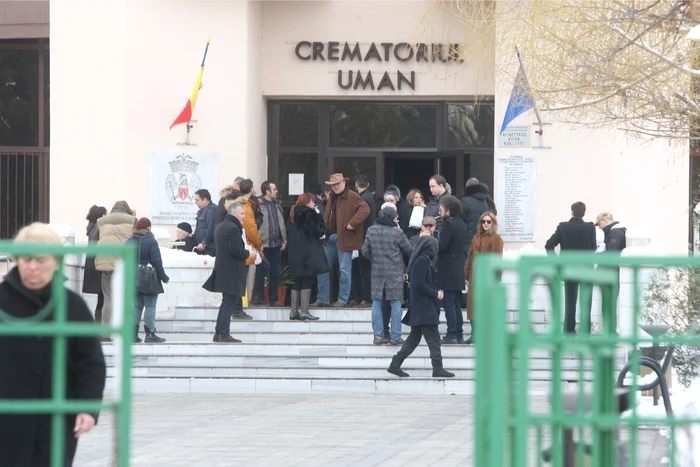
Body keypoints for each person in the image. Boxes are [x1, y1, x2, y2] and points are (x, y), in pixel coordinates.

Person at [0, 222, 106, 466]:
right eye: (26, 259)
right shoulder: (2, 300)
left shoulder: (72, 305)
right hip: (7, 420)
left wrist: (87, 408)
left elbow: (90, 363)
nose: (33, 267)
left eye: (41, 259)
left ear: (56, 262)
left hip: (56, 422)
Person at [387, 235, 455, 378]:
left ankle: (395, 364)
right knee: (434, 339)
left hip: (422, 308)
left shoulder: (423, 260)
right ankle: (437, 368)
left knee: (413, 340)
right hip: (424, 308)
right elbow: (419, 285)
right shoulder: (422, 261)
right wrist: (435, 293)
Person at [313, 173, 370, 308]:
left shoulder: (352, 196)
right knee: (323, 267)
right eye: (333, 185)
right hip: (330, 238)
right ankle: (323, 298)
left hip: (343, 238)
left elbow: (365, 209)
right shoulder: (333, 197)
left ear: (344, 183)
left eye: (338, 184)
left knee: (344, 270)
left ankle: (342, 300)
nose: (335, 187)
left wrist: (352, 223)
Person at [203, 203, 256, 342]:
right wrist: (248, 253)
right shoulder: (233, 228)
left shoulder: (221, 226)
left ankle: (219, 333)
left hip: (223, 269)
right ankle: (223, 333)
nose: (244, 217)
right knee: (229, 303)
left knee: (226, 302)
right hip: (232, 270)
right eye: (242, 214)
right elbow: (235, 250)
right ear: (233, 214)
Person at [362, 206, 412, 345]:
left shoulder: (371, 230)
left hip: (377, 271)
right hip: (395, 271)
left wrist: (375, 260)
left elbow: (365, 251)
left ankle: (378, 336)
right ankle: (395, 337)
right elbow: (409, 250)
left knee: (377, 303)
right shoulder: (397, 232)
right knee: (396, 303)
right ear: (393, 218)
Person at [545, 201, 597, 334]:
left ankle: (569, 331)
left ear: (572, 212)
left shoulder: (563, 227)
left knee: (570, 302)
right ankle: (585, 332)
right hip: (586, 268)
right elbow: (592, 248)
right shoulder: (590, 228)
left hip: (569, 269)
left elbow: (549, 245)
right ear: (583, 213)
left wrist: (556, 263)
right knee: (586, 303)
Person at [95, 200, 136, 342]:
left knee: (108, 297)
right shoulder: (132, 220)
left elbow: (93, 241)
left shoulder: (101, 221)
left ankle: (106, 334)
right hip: (124, 263)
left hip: (105, 262)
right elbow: (136, 241)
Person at [287, 193, 330, 321]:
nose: (313, 203)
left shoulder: (293, 213)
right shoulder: (309, 214)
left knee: (297, 280)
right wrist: (318, 216)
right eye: (312, 201)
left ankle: (294, 311)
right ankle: (304, 310)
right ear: (307, 203)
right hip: (308, 252)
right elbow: (320, 230)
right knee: (307, 278)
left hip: (295, 251)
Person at [464, 212, 504, 344]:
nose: (485, 224)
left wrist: (496, 278)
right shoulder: (476, 237)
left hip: (488, 275)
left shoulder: (496, 238)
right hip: (475, 275)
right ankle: (475, 334)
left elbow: (497, 259)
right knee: (473, 305)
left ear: (493, 223)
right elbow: (469, 258)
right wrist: (466, 275)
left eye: (488, 221)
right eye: (483, 221)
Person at [128, 217, 169, 343]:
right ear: (149, 228)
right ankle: (150, 334)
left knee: (137, 306)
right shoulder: (151, 241)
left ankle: (132, 335)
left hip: (133, 278)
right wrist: (164, 277)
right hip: (149, 278)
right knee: (150, 305)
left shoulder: (129, 241)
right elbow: (157, 262)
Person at [437, 195, 468, 344]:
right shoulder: (461, 223)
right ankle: (459, 334)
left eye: (441, 210)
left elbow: (442, 246)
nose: (439, 212)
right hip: (458, 267)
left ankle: (451, 334)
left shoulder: (448, 225)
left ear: (448, 211)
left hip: (448, 268)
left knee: (449, 302)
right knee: (455, 302)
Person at [255, 181, 287, 307]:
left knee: (275, 272)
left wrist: (284, 239)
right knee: (261, 272)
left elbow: (281, 223)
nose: (276, 191)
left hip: (276, 244)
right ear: (267, 191)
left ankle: (274, 300)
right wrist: (257, 242)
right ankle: (259, 299)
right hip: (263, 245)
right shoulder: (258, 203)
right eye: (274, 189)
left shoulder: (277, 204)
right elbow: (254, 224)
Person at [350, 174, 376, 308]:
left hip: (362, 239)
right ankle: (360, 297)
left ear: (356, 185)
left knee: (362, 270)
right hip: (365, 239)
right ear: (368, 185)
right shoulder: (369, 198)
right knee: (361, 269)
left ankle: (365, 298)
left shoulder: (362, 199)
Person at [461, 178, 498, 261]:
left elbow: (460, 220)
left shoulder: (465, 201)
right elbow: (493, 213)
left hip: (469, 240)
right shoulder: (487, 200)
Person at [596, 212, 627, 301]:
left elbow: (611, 253)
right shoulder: (616, 231)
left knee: (609, 305)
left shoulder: (615, 232)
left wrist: (597, 255)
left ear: (605, 220)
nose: (599, 227)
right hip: (613, 273)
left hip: (612, 274)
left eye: (599, 224)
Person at [83, 205, 107, 321]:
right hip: (96, 264)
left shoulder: (90, 227)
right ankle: (99, 323)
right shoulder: (96, 228)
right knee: (101, 295)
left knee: (99, 295)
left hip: (91, 263)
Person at [193, 189, 218, 256]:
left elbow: (211, 228)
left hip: (208, 249)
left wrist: (204, 243)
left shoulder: (211, 210)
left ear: (205, 200)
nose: (195, 202)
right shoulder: (202, 211)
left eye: (197, 200)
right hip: (201, 247)